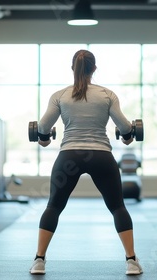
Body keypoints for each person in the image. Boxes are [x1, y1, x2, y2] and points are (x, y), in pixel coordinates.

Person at [29, 49, 143, 276]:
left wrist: (45, 136)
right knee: (118, 207)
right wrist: (129, 134)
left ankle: (39, 261)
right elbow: (124, 128)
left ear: (73, 68)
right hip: (101, 156)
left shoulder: (60, 96)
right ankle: (131, 261)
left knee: (53, 206)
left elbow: (42, 129)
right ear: (94, 69)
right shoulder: (107, 95)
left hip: (69, 156)